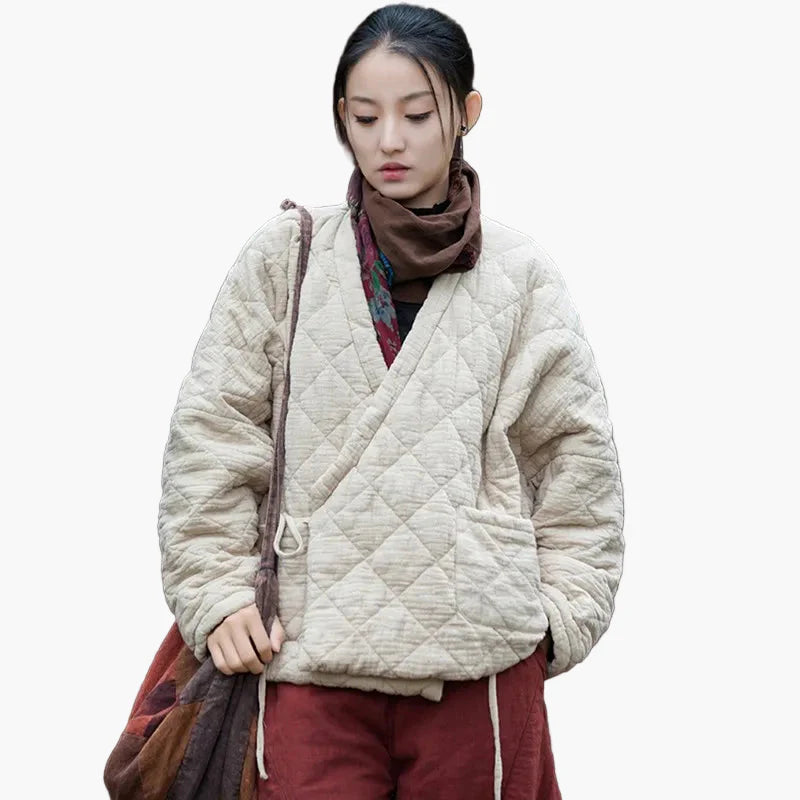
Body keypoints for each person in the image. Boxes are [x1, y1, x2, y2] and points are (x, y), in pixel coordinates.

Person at [157, 4, 625, 798]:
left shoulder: (522, 276)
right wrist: (218, 596)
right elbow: (214, 434)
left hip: (478, 664)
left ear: (467, 113)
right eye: (366, 117)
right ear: (341, 116)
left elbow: (576, 461)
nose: (390, 141)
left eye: (416, 114)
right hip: (305, 653)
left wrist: (556, 620)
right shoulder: (286, 256)